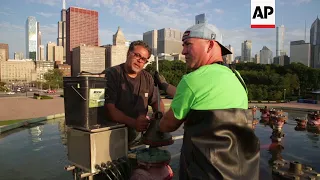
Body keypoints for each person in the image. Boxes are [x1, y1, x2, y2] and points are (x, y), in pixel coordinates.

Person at [154, 23, 260, 179]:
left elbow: (167, 125)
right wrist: (165, 86)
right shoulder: (237, 77)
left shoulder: (191, 80)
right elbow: (200, 98)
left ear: (210, 44)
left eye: (188, 44)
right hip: (243, 172)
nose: (183, 51)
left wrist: (155, 121)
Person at [104, 40, 165, 147]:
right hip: (113, 136)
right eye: (137, 55)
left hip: (138, 137)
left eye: (144, 59)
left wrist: (158, 117)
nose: (139, 61)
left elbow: (157, 102)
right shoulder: (111, 74)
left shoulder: (147, 78)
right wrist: (134, 123)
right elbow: (109, 109)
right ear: (128, 53)